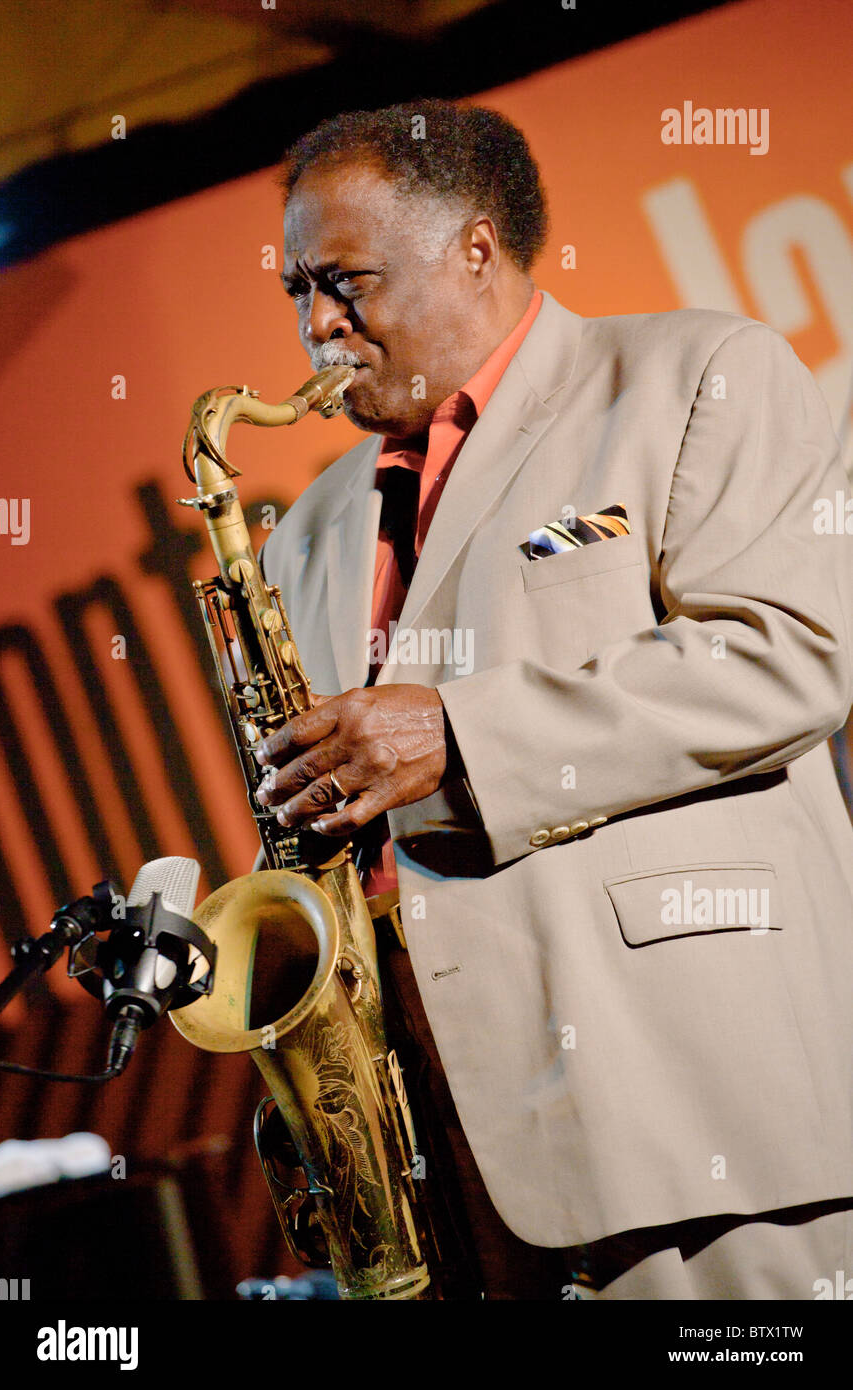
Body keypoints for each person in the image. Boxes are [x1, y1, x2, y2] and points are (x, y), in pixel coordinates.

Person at [252, 98, 853, 1299]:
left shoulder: (698, 371)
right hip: (450, 1154)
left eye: (346, 280)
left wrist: (458, 732)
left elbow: (795, 651)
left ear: (476, 246)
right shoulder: (305, 527)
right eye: (295, 290)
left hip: (696, 1107)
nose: (317, 324)